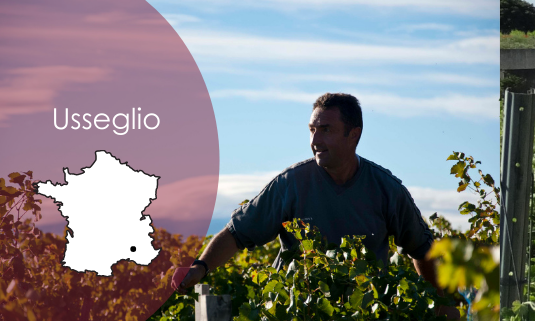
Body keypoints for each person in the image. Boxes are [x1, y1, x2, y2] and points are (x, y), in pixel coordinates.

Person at [173, 93, 458, 319]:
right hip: (296, 314)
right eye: (312, 130)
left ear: (354, 135)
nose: (314, 141)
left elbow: (421, 249)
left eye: (326, 130)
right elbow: (237, 233)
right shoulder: (290, 184)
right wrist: (201, 266)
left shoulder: (386, 189)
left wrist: (443, 305)